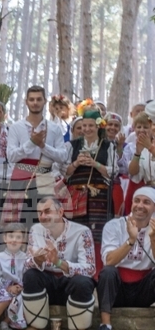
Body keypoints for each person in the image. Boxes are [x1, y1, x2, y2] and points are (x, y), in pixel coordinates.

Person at [19, 196, 96, 330]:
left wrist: (59, 262)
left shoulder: (82, 232)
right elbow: (26, 264)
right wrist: (36, 260)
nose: (43, 216)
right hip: (47, 285)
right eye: (40, 213)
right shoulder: (36, 229)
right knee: (30, 275)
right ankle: (37, 327)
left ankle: (81, 329)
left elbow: (90, 269)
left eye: (47, 211)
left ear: (60, 212)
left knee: (83, 282)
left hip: (69, 284)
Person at [95, 187, 155, 330]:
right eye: (137, 201)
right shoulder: (114, 225)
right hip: (118, 289)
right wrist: (131, 240)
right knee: (107, 271)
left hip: (144, 290)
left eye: (147, 202)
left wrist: (153, 239)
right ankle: (105, 325)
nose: (140, 206)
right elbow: (109, 260)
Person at [4, 86, 68, 227]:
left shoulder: (54, 128)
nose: (35, 102)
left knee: (44, 219)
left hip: (45, 177)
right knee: (18, 221)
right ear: (26, 102)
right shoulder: (16, 127)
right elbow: (11, 156)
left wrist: (43, 146)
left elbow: (63, 156)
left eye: (39, 99)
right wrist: (31, 143)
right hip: (21, 178)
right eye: (32, 99)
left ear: (45, 101)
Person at [64, 100, 115, 265]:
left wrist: (96, 164)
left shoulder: (108, 146)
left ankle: (97, 271)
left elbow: (114, 171)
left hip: (99, 198)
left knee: (98, 233)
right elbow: (64, 172)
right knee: (76, 232)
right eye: (84, 125)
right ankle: (75, 267)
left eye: (91, 125)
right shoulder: (72, 146)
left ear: (98, 126)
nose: (87, 129)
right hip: (77, 196)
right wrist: (76, 163)